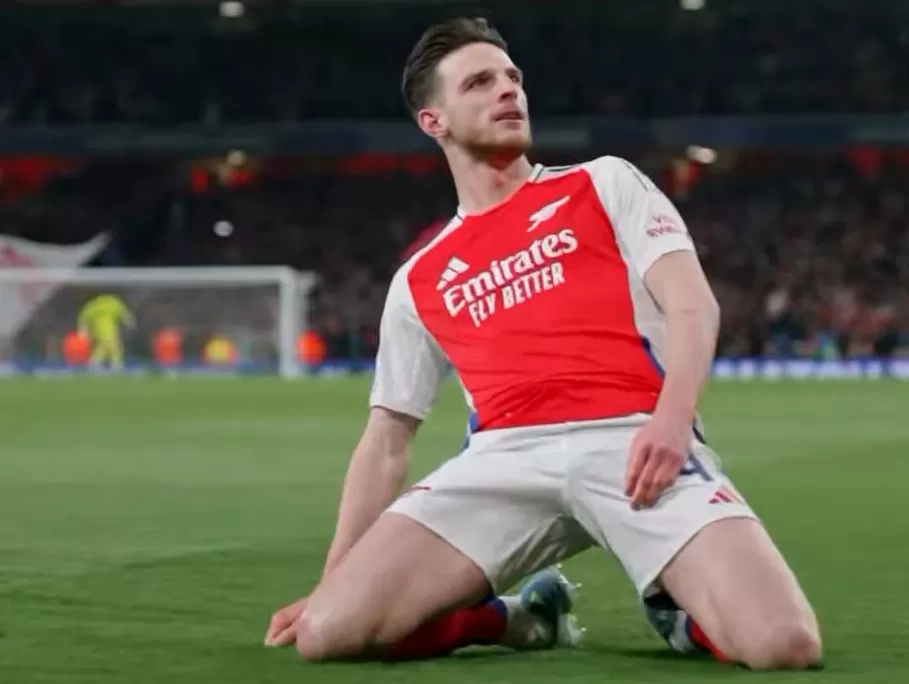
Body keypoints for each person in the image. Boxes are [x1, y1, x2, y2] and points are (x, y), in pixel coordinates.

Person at [265, 17, 822, 669]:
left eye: (511, 78)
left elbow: (692, 304)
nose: (507, 91)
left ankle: (676, 607)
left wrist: (673, 421)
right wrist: (334, 579)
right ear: (433, 122)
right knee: (328, 635)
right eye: (479, 83)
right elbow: (387, 438)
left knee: (783, 646)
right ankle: (518, 619)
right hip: (503, 460)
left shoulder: (603, 183)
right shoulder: (418, 278)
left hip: (634, 439)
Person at [77, 292, 135, 371]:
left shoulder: (93, 304)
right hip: (106, 329)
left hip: (101, 329)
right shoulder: (112, 302)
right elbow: (124, 313)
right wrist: (129, 321)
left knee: (108, 345)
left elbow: (83, 318)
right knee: (110, 344)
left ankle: (103, 363)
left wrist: (83, 330)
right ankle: (111, 363)